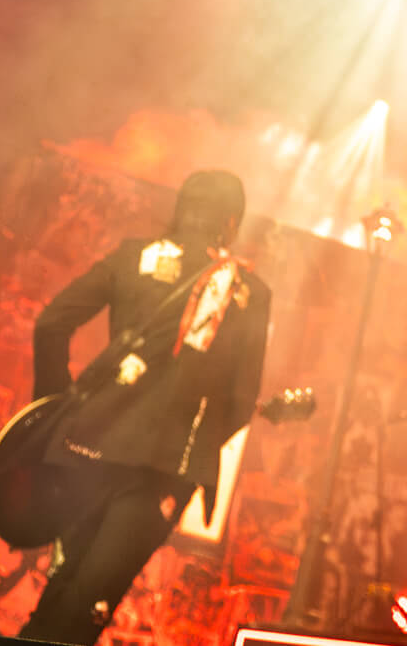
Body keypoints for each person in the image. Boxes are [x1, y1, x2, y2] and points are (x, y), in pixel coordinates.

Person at [19, 169, 271, 645]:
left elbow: (51, 324)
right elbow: (240, 402)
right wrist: (189, 447)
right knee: (93, 599)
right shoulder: (249, 293)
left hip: (87, 446)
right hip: (163, 469)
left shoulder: (133, 257)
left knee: (65, 580)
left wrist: (54, 406)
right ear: (232, 221)